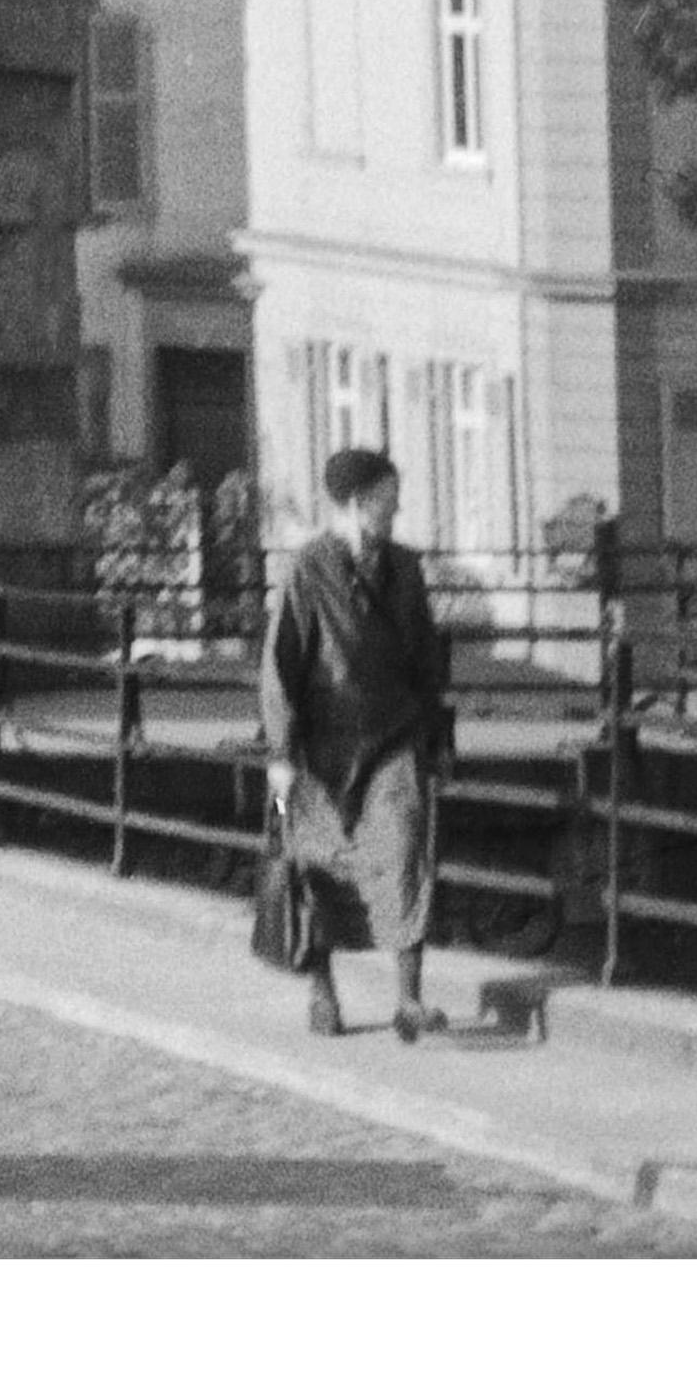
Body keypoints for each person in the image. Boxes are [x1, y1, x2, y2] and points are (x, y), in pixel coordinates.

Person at [261, 441, 460, 1039]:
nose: (394, 514)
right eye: (385, 502)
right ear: (352, 504)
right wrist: (279, 755)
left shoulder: (405, 568)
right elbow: (279, 667)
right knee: (316, 871)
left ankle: (409, 1000)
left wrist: (441, 739)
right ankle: (323, 995)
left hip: (393, 739)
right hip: (320, 751)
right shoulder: (307, 570)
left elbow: (428, 658)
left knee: (405, 851)